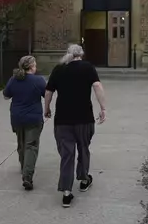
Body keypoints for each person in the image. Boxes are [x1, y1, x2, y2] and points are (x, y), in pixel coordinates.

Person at [44, 44, 107, 208]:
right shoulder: (88, 68)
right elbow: (97, 86)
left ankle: (66, 192)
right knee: (84, 148)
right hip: (84, 118)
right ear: (81, 55)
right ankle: (84, 179)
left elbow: (49, 91)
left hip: (63, 120)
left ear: (69, 54)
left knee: (67, 155)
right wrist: (103, 108)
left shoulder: (59, 69)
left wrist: (47, 108)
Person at [3, 55, 46, 191]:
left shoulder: (14, 79)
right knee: (31, 146)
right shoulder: (38, 80)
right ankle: (27, 176)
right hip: (33, 118)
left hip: (17, 117)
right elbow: (47, 94)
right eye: (35, 64)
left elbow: (5, 95)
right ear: (32, 66)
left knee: (21, 143)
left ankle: (24, 167)